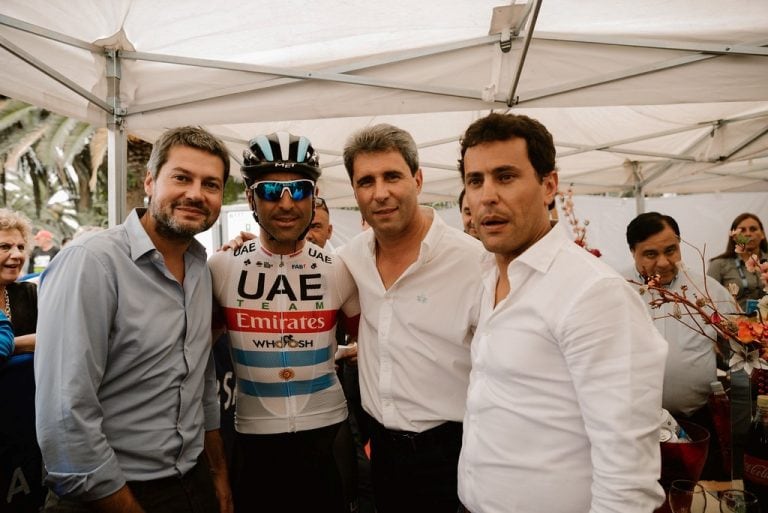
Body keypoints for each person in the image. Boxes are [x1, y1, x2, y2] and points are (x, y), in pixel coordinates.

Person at [457, 113, 668, 513]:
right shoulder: (488, 276)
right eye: (475, 180)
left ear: (548, 186)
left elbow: (628, 477)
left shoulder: (593, 293)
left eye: (505, 176)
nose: (486, 196)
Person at [35, 126, 233, 513]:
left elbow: (201, 383)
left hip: (191, 485)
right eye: (181, 177)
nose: (195, 193)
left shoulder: (199, 268)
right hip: (107, 495)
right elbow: (65, 413)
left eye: (211, 184)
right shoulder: (91, 263)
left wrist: (218, 475)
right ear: (149, 181)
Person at [208, 132, 360, 513]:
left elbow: (372, 349)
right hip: (253, 443)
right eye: (272, 189)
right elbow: (195, 363)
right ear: (250, 198)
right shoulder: (222, 267)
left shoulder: (340, 269)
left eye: (300, 189)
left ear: (315, 194)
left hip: (328, 435)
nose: (287, 203)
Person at [338, 123, 484, 513]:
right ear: (355, 192)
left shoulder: (473, 261)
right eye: (366, 181)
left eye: (392, 176)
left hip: (455, 452)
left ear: (417, 180)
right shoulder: (349, 260)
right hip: (384, 454)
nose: (380, 192)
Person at [625, 211, 739, 480]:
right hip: (634, 426)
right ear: (633, 252)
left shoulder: (706, 290)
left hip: (697, 420)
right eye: (650, 254)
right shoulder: (618, 290)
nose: (664, 262)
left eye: (671, 250)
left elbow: (738, 340)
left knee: (700, 489)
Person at [708, 212, 768, 311]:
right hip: (735, 324)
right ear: (734, 236)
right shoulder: (718, 265)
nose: (748, 233)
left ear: (762, 234)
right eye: (742, 230)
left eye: (753, 229)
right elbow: (709, 300)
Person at [0, 208, 37, 355]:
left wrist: (7, 344)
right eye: (4, 247)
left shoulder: (30, 293)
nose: (17, 255)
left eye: (21, 247)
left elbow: (58, 337)